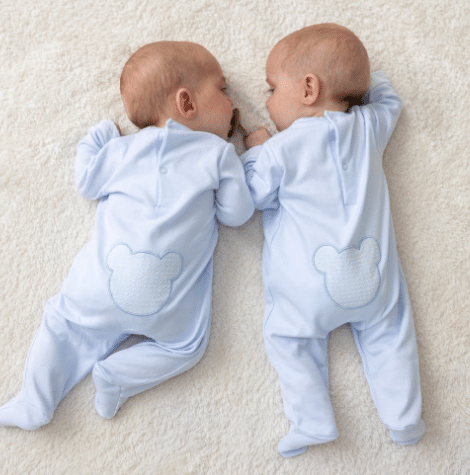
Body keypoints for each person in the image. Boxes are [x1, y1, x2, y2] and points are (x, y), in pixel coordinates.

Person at [0, 41, 254, 430]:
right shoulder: (217, 155)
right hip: (170, 307)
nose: (232, 101)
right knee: (185, 347)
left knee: (62, 324)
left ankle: (34, 401)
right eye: (223, 89)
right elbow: (237, 215)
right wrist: (241, 165)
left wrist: (98, 137)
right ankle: (119, 375)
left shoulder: (121, 151)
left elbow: (87, 181)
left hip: (99, 289)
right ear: (186, 103)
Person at [242, 23, 425, 457]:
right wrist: (355, 83)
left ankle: (312, 420)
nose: (266, 102)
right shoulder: (368, 126)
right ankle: (405, 420)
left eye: (272, 88)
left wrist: (256, 147)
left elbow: (253, 196)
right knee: (391, 333)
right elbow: (389, 98)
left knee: (288, 338)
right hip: (372, 280)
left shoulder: (282, 149)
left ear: (308, 88)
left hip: (308, 290)